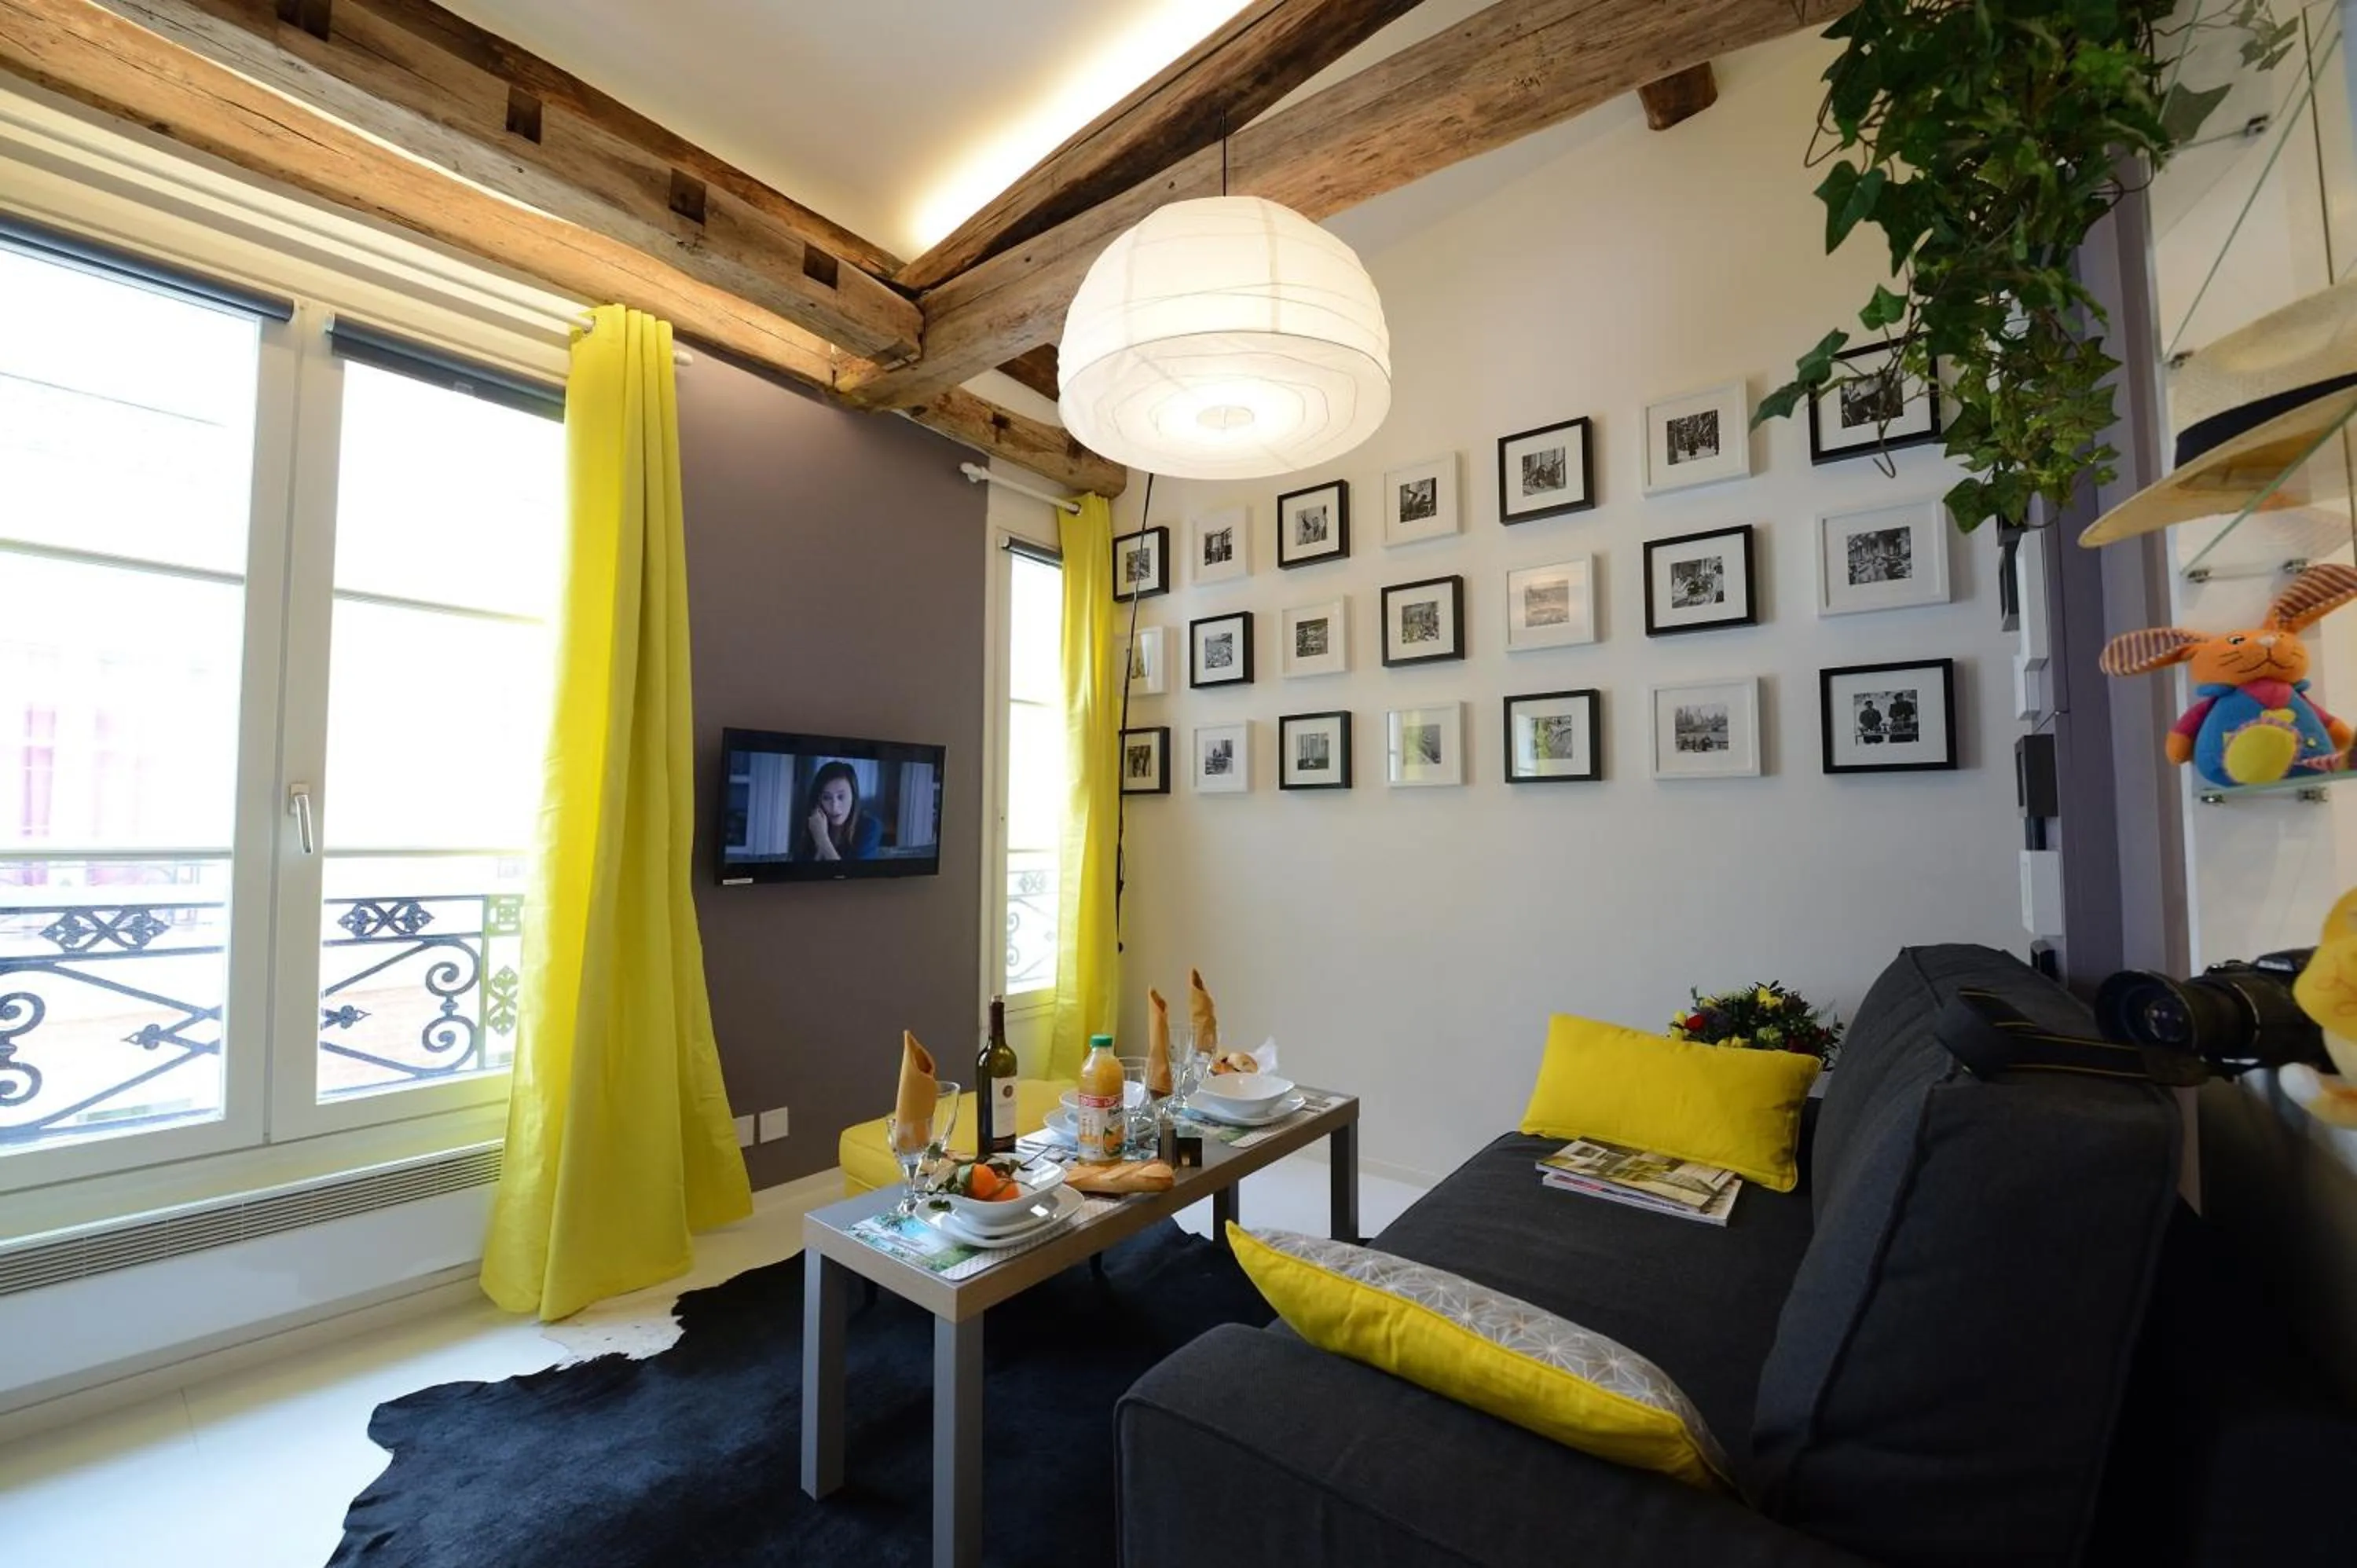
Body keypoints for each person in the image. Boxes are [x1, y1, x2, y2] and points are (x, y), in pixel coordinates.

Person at [799, 760, 882, 860]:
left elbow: (855, 876)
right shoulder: (814, 824)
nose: (834, 806)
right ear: (819, 800)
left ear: (853, 797)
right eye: (826, 797)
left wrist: (823, 840)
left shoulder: (870, 826)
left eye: (841, 797)